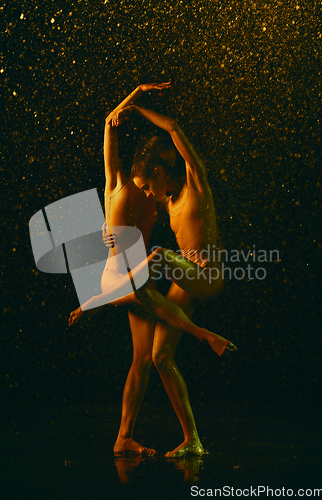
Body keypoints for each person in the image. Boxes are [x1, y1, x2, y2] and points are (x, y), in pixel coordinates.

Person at [69, 83, 234, 456]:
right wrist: (109, 234)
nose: (146, 193)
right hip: (185, 279)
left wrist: (140, 104)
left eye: (148, 185)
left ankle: (202, 333)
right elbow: (124, 216)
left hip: (207, 276)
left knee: (157, 257)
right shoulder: (162, 201)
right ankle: (193, 440)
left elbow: (174, 129)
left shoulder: (194, 185)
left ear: (161, 172)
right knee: (158, 356)